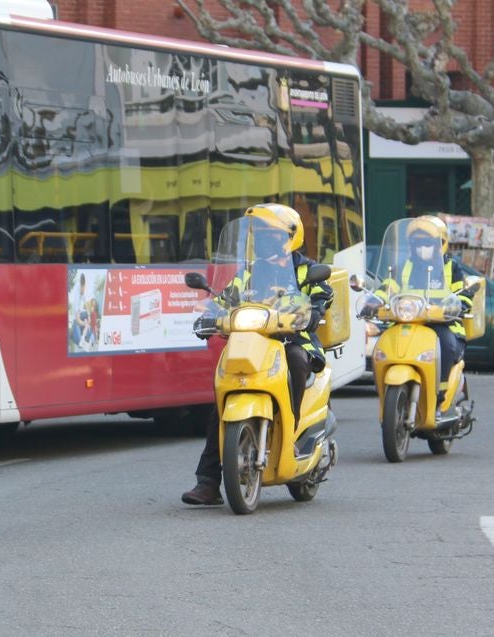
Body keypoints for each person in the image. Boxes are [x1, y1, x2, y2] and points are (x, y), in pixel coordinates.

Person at [182, 203, 333, 506]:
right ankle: (209, 481)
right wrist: (209, 312)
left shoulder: (305, 268)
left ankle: (293, 426)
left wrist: (315, 310)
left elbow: (322, 293)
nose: (265, 240)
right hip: (253, 342)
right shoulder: (250, 272)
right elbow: (226, 298)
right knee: (222, 401)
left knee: (297, 362)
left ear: (290, 237)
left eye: (272, 235)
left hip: (294, 339)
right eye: (260, 235)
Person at [370, 215, 473, 406]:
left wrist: (460, 305)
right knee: (382, 347)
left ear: (440, 244)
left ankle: (440, 394)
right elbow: (388, 287)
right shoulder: (404, 267)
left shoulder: (451, 267)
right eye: (416, 243)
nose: (421, 248)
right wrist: (374, 300)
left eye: (427, 243)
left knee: (447, 346)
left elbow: (463, 292)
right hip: (407, 321)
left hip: (443, 324)